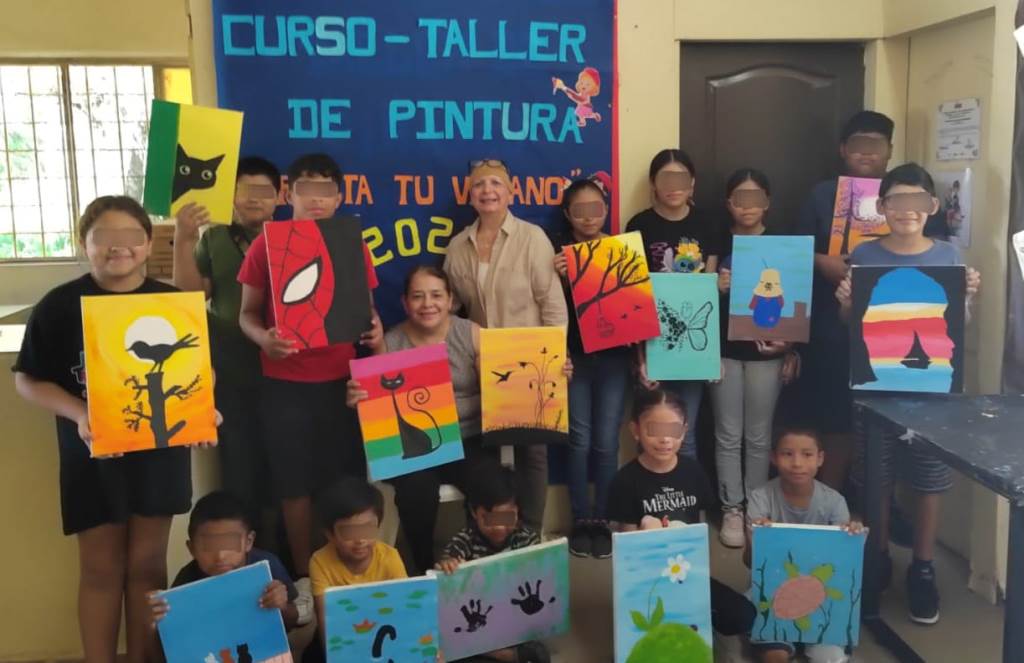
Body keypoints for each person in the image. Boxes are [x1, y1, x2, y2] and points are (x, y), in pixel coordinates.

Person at [12, 196, 198, 663]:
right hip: (91, 453)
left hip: (160, 452)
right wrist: (79, 414)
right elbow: (27, 379)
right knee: (99, 568)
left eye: (131, 237)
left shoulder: (172, 302)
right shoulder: (58, 306)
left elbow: (200, 372)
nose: (119, 248)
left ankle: (142, 658)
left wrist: (203, 410)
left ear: (148, 243)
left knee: (148, 565)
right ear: (83, 243)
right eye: (104, 238)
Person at [238, 153, 384, 625]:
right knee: (293, 486)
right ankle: (304, 579)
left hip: (343, 384)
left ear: (339, 198)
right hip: (283, 385)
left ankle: (344, 575)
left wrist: (374, 329)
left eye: (326, 191)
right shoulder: (266, 244)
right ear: (289, 194)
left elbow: (366, 311)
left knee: (344, 482)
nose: (316, 199)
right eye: (306, 189)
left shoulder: (352, 245)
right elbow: (246, 314)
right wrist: (264, 339)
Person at [835, 163, 980, 625]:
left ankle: (923, 567)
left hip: (932, 393)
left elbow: (958, 325)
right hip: (874, 387)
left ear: (932, 206)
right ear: (882, 207)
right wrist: (846, 304)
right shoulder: (864, 255)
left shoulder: (949, 256)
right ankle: (877, 558)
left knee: (928, 481)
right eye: (897, 201)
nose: (907, 210)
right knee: (874, 477)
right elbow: (850, 324)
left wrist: (966, 298)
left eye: (917, 201)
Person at [795, 111, 950, 489]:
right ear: (843, 149)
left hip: (898, 333)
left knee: (894, 425)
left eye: (876, 144)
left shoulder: (909, 195)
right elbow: (792, 251)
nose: (867, 152)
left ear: (890, 150)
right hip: (833, 327)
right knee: (836, 417)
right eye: (858, 144)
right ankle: (833, 499)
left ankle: (881, 503)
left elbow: (939, 255)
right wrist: (824, 262)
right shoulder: (821, 195)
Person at [443, 159, 569, 532]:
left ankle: (529, 533)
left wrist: (556, 359)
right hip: (480, 361)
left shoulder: (533, 238)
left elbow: (553, 306)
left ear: (511, 192)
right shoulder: (457, 247)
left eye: (496, 183)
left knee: (533, 453)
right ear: (470, 195)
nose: (488, 191)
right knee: (484, 455)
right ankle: (487, 536)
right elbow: (449, 309)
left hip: (530, 360)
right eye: (479, 184)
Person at [346, 264, 496, 574]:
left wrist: (555, 369)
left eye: (436, 295)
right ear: (405, 302)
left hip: (467, 439)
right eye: (417, 296)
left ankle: (478, 563)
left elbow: (505, 382)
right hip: (415, 450)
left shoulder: (470, 333)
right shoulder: (391, 342)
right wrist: (358, 399)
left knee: (488, 481)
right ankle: (424, 566)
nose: (428, 304)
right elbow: (377, 406)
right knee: (416, 490)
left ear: (450, 299)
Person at [172, 156, 280, 532]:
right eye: (244, 190)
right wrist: (184, 238)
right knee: (239, 468)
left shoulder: (294, 237)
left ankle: (283, 557)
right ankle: (244, 551)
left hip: (286, 371)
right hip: (230, 370)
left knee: (284, 469)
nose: (254, 198)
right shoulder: (215, 239)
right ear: (230, 195)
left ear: (279, 197)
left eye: (264, 191)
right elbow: (190, 294)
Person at [607, 388, 755, 640]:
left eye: (673, 431)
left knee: (743, 616)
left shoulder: (693, 472)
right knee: (652, 637)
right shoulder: (625, 480)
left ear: (684, 431)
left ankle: (694, 619)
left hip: (686, 572)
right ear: (635, 430)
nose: (665, 439)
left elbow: (699, 533)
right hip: (648, 579)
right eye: (654, 430)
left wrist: (694, 577)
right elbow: (629, 551)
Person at [712, 169, 798, 548]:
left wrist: (791, 348)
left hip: (767, 355)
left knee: (760, 436)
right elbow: (693, 298)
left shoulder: (784, 246)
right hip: (723, 352)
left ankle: (757, 510)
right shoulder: (716, 242)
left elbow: (797, 303)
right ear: (728, 203)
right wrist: (714, 287)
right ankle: (732, 508)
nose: (747, 207)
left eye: (755, 199)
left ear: (768, 203)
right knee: (728, 434)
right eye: (739, 199)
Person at [550, 178, 630, 558]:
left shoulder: (620, 251)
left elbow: (634, 309)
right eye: (579, 209)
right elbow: (546, 307)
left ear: (606, 210)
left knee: (607, 442)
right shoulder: (556, 255)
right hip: (575, 360)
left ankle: (604, 519)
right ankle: (581, 518)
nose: (588, 217)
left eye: (595, 208)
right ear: (568, 214)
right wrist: (557, 278)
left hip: (614, 358)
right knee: (578, 441)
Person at [628, 149, 723, 459]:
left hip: (692, 348)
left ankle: (686, 493)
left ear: (692, 183)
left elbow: (708, 292)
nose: (673, 187)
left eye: (681, 179)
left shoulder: (706, 223)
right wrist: (641, 357)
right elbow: (633, 296)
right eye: (665, 179)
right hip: (654, 344)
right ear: (653, 184)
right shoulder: (639, 225)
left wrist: (710, 356)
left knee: (686, 435)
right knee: (651, 434)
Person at [745, 429, 862, 663]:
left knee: (829, 658)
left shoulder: (834, 502)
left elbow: (841, 569)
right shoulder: (760, 498)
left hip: (822, 595)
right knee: (775, 655)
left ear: (820, 458)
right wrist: (758, 540)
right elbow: (750, 562)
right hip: (774, 591)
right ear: (774, 457)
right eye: (787, 454)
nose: (797, 463)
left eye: (807, 454)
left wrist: (851, 538)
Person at [436, 462, 548, 663]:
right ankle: (497, 654)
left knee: (539, 654)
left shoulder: (526, 540)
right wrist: (448, 565)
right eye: (489, 518)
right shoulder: (465, 540)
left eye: (506, 518)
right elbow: (448, 561)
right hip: (478, 630)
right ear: (474, 512)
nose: (498, 527)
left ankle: (504, 655)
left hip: (514, 627)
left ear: (518, 512)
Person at [147, 490, 298, 630]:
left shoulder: (267, 567)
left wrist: (282, 605)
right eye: (209, 545)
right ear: (192, 549)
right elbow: (177, 633)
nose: (220, 556)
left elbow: (293, 620)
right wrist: (156, 620)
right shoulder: (187, 580)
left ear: (248, 542)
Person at [310, 478, 407, 647]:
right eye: (349, 532)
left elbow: (405, 608)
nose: (360, 540)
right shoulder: (320, 562)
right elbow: (327, 621)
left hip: (383, 630)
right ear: (330, 535)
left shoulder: (390, 558)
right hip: (341, 634)